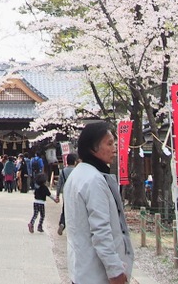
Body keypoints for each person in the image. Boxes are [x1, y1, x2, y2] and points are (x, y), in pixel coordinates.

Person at [64, 121, 134, 284]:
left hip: (82, 269)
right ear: (92, 148)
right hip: (97, 274)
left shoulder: (77, 175)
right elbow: (101, 230)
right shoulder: (94, 180)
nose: (114, 148)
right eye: (109, 143)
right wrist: (115, 271)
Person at [54, 153, 78, 235]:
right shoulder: (77, 171)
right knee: (75, 211)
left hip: (66, 193)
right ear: (75, 161)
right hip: (75, 194)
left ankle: (62, 223)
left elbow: (59, 184)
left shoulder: (63, 171)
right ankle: (74, 228)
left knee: (65, 210)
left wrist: (57, 195)